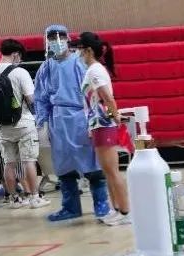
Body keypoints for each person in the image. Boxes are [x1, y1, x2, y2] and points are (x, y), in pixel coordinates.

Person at [35, 24, 110, 222]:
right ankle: (70, 207)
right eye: (52, 38)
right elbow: (41, 97)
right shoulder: (46, 67)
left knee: (91, 163)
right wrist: (42, 122)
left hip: (80, 117)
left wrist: (94, 118)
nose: (57, 41)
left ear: (68, 38)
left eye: (60, 36)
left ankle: (101, 204)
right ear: (47, 41)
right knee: (63, 166)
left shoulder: (79, 62)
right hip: (58, 121)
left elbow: (93, 92)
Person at [70, 32, 130, 226]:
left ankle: (125, 211)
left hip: (103, 124)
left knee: (112, 170)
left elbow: (107, 98)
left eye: (80, 49)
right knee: (107, 171)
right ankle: (116, 209)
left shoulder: (95, 70)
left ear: (88, 50)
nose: (78, 53)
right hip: (97, 124)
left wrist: (114, 117)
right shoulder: (92, 70)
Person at [0, 39, 50, 209]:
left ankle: (14, 199)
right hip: (23, 123)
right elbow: (31, 99)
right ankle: (34, 197)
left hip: (1, 126)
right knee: (29, 161)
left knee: (9, 163)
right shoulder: (20, 72)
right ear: (15, 54)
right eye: (20, 57)